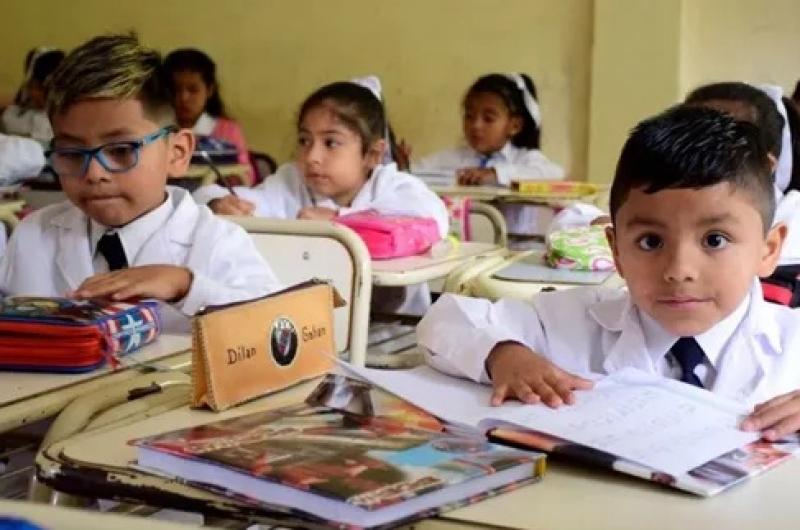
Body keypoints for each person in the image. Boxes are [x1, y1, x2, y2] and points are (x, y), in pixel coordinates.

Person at [418, 105, 800, 442]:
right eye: (650, 242)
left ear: (768, 250)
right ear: (616, 250)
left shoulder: (793, 342)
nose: (679, 270)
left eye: (715, 240)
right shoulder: (571, 322)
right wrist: (504, 356)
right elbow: (445, 318)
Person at [0, 34, 282, 332]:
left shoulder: (217, 242)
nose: (94, 173)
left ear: (177, 152)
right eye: (71, 153)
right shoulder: (33, 235)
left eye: (121, 151)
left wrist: (186, 286)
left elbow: (280, 331)